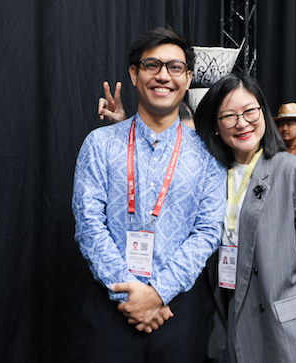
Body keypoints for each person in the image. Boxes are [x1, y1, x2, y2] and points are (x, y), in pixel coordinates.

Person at [73, 28, 227, 362]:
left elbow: (207, 231)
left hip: (179, 315)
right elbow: (88, 224)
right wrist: (133, 297)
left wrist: (158, 293)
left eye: (175, 67)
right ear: (134, 74)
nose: (163, 76)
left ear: (187, 78)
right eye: (152, 65)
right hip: (111, 311)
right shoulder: (99, 145)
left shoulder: (208, 155)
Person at [194, 73, 296, 363]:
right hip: (227, 321)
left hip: (282, 329)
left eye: (249, 111)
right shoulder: (209, 175)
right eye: (228, 116)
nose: (242, 123)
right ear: (215, 126)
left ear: (263, 112)